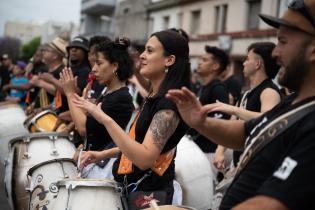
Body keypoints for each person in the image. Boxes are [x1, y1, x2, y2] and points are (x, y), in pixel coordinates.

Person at [166, 0, 315, 209]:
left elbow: (273, 203)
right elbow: (245, 133)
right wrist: (201, 122)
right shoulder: (293, 103)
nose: (275, 52)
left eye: (283, 41)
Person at [75, 30, 191, 206]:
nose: (142, 56)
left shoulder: (169, 107)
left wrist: (105, 119)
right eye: (144, 50)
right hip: (133, 188)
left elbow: (145, 159)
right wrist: (103, 154)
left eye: (150, 51)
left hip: (149, 196)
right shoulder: (155, 96)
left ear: (169, 60)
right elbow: (138, 144)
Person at [60, 37, 134, 178]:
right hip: (93, 161)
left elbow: (83, 128)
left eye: (99, 63)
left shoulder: (121, 98)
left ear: (114, 66)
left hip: (104, 168)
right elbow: (94, 130)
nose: (94, 69)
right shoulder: (108, 93)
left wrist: (70, 94)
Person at [214, 42, 282, 170]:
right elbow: (232, 123)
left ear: (257, 64)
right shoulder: (246, 93)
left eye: (247, 59)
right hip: (239, 162)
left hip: (257, 164)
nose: (244, 63)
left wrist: (232, 109)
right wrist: (220, 150)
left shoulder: (269, 91)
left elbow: (268, 119)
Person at [187, 45, 231, 186]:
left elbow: (223, 121)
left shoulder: (218, 88)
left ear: (215, 66)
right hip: (198, 150)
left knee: (205, 191)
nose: (199, 62)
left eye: (204, 60)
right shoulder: (205, 87)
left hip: (209, 153)